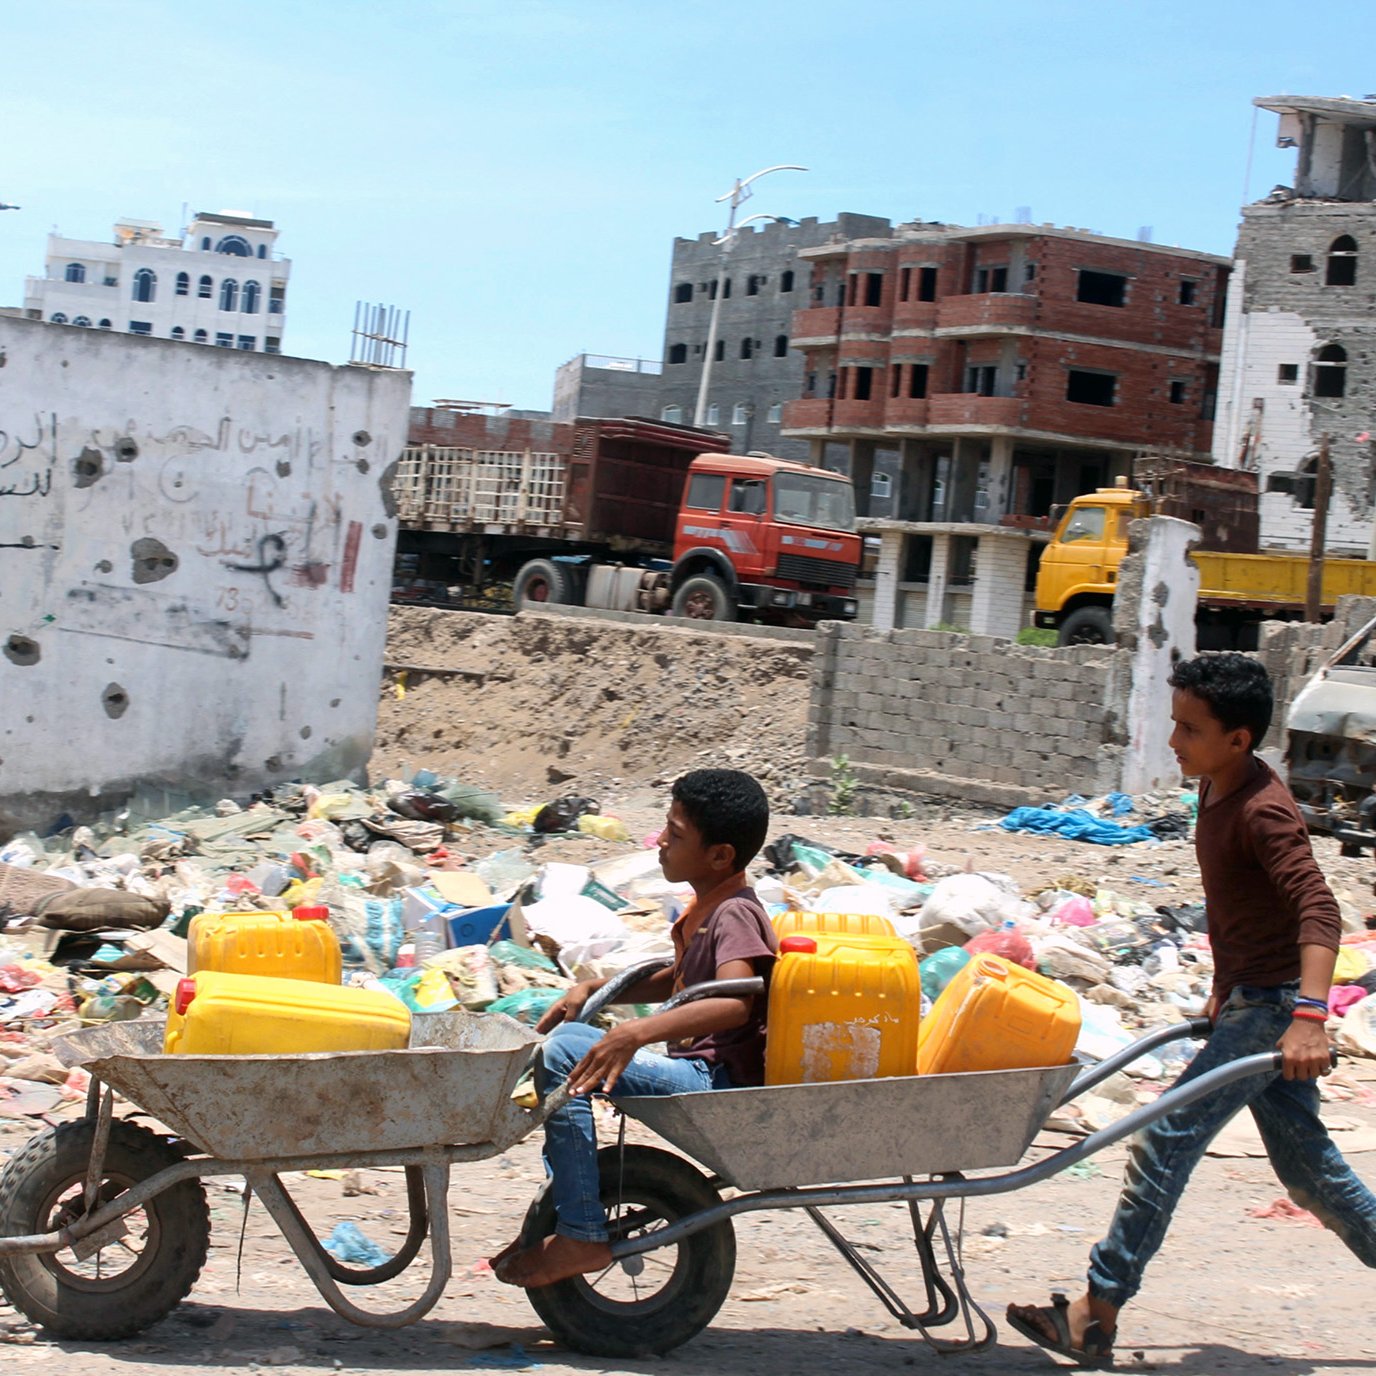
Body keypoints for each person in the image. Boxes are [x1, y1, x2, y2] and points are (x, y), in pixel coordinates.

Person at [1009, 652, 1376, 1366]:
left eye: (1189, 728)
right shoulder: (1213, 786)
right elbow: (1244, 910)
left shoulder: (1265, 811)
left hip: (1274, 1012)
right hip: (1251, 998)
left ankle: (1095, 1312)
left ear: (1238, 740)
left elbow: (1319, 912)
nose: (1173, 741)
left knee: (1164, 1138)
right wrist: (1225, 984)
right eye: (1174, 723)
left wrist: (1307, 1017)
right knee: (1312, 1177)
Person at [492, 767, 777, 1289]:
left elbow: (735, 1001)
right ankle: (564, 1216)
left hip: (715, 1084)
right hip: (697, 1070)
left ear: (720, 856)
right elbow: (685, 981)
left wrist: (635, 1033)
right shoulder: (711, 907)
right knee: (566, 1043)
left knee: (563, 1054)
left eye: (676, 833)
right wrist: (597, 988)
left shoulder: (735, 913)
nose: (660, 842)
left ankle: (579, 1230)